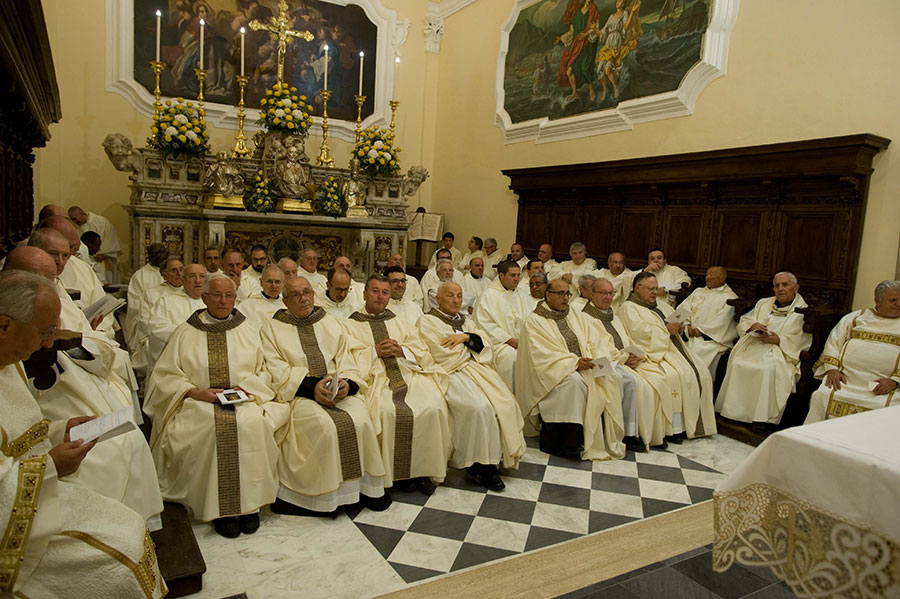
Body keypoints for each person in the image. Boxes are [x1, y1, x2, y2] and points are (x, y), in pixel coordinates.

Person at [0, 270, 166, 598]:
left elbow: (18, 432)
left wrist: (60, 429)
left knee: (130, 526)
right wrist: (50, 467)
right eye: (44, 332)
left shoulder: (10, 362)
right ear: (4, 325)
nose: (48, 343)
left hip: (38, 495)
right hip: (17, 524)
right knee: (122, 557)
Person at [145, 272, 288, 538]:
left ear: (236, 298)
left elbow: (264, 370)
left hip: (243, 398)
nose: (223, 301)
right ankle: (220, 510)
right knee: (209, 429)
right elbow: (165, 375)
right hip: (199, 401)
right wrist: (194, 392)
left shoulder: (247, 329)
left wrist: (247, 389)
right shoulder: (185, 331)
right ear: (204, 297)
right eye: (217, 295)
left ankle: (249, 506)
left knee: (252, 424)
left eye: (229, 295)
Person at [260, 277, 389, 515]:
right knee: (325, 428)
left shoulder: (329, 322)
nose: (303, 299)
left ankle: (360, 491)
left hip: (336, 390)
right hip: (300, 394)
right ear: (285, 300)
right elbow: (274, 368)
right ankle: (323, 499)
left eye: (307, 292)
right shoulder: (271, 327)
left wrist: (346, 385)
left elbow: (346, 359)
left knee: (361, 421)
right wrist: (311, 387)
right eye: (296, 295)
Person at [343, 276, 452, 496]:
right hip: (376, 378)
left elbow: (421, 349)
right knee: (387, 411)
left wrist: (403, 351)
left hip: (407, 372)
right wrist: (374, 352)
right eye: (375, 291)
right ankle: (396, 474)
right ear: (364, 295)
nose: (380, 297)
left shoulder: (399, 322)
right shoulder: (349, 325)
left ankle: (422, 471)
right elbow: (347, 357)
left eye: (384, 292)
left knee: (433, 406)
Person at [419, 282, 527, 489]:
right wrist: (469, 346)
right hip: (451, 374)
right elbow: (441, 353)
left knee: (504, 404)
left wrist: (466, 337)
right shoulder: (427, 321)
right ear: (438, 299)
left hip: (477, 371)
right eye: (450, 295)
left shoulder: (466, 321)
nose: (455, 300)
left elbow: (484, 343)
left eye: (459, 296)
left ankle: (495, 458)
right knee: (479, 408)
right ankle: (480, 466)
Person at [516, 279, 625, 459]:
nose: (565, 298)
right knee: (574, 383)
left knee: (610, 378)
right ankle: (567, 442)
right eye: (560, 294)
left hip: (583, 366)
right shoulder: (534, 321)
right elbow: (541, 355)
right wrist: (574, 363)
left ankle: (598, 435)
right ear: (548, 295)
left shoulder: (575, 314)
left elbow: (593, 339)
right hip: (551, 374)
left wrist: (593, 358)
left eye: (568, 294)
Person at [618, 272, 717, 441]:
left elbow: (674, 322)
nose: (654, 292)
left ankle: (690, 426)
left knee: (701, 373)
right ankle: (674, 429)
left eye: (656, 288)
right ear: (637, 288)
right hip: (654, 353)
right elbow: (639, 333)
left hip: (674, 349)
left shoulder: (662, 305)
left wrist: (680, 327)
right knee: (675, 377)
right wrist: (666, 330)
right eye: (650, 289)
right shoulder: (628, 308)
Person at [715, 272, 812, 431]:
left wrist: (780, 340)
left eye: (785, 285)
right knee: (738, 363)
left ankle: (760, 418)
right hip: (755, 344)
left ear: (796, 287)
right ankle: (732, 412)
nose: (780, 289)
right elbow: (746, 320)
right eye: (776, 285)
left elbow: (803, 340)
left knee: (766, 369)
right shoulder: (764, 303)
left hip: (779, 351)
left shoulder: (803, 311)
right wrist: (753, 326)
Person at [582, 278, 664, 449]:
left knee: (650, 384)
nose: (607, 297)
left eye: (610, 293)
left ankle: (643, 432)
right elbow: (598, 348)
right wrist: (624, 358)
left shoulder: (613, 315)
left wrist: (634, 355)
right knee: (631, 382)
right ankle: (625, 433)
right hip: (604, 365)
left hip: (624, 361)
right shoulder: (585, 317)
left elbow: (626, 339)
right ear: (591, 294)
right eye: (603, 293)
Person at [805, 280, 900, 422]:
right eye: (893, 300)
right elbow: (833, 343)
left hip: (882, 387)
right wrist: (832, 369)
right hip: (845, 380)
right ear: (877, 301)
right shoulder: (855, 318)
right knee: (823, 395)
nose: (898, 304)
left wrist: (895, 380)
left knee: (890, 406)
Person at [138, 263, 207, 378]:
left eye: (202, 276)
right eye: (192, 276)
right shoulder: (166, 302)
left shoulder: (215, 302)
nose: (198, 281)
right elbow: (157, 330)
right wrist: (192, 335)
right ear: (183, 280)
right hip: (177, 363)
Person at [473, 260, 528, 392]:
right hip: (498, 344)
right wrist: (509, 340)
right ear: (501, 275)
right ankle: (509, 397)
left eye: (518, 275)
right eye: (512, 275)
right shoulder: (488, 295)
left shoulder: (520, 294)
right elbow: (484, 323)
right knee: (511, 358)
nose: (516, 279)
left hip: (522, 342)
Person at [676, 266, 738, 378]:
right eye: (707, 274)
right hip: (687, 334)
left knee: (693, 364)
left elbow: (723, 321)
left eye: (712, 274)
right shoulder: (698, 291)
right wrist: (686, 324)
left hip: (708, 340)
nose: (707, 277)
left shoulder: (729, 297)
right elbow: (683, 308)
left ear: (722, 279)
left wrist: (701, 331)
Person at [125, 242, 168, 348]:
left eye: (161, 252)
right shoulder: (140, 276)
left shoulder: (174, 273)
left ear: (167, 254)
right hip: (149, 321)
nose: (159, 256)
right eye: (155, 253)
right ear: (149, 256)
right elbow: (135, 306)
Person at [555, 0, 600, 101]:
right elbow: (572, 31)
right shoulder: (577, 13)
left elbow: (595, 28)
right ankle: (574, 92)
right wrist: (561, 38)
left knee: (585, 69)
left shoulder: (593, 11)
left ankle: (591, 88)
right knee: (569, 71)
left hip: (587, 45)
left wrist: (585, 34)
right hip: (576, 47)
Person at [68, 205, 122, 283]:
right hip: (85, 259)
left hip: (102, 260)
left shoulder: (101, 222)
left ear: (83, 214)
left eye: (75, 219)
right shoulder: (75, 226)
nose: (75, 222)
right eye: (72, 219)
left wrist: (103, 253)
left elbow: (111, 239)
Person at [240, 264, 286, 328]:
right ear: (261, 282)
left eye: (277, 282)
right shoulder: (248, 306)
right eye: (269, 281)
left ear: (283, 283)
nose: (274, 286)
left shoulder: (287, 305)